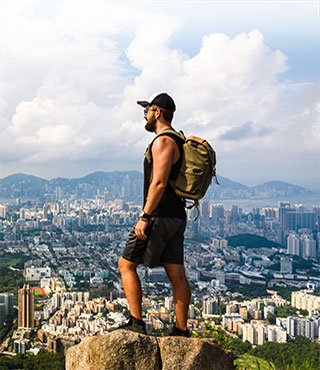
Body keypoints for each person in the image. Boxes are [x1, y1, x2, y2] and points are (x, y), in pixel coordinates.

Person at [118, 92, 190, 337]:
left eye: (147, 111)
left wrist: (145, 216)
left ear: (157, 113)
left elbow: (158, 183)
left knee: (126, 265)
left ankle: (136, 323)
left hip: (158, 217)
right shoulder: (178, 141)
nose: (145, 115)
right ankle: (181, 330)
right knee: (177, 274)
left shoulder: (164, 141)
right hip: (177, 217)